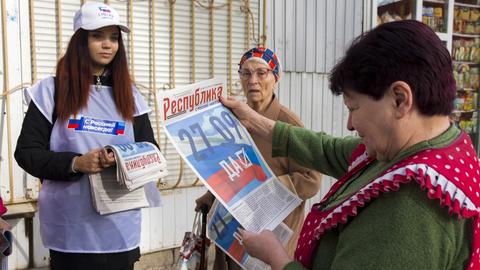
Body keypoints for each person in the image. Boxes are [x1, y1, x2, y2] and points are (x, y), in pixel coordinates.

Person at [221, 20, 480, 270]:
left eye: (353, 107)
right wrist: (253, 119)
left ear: (400, 100)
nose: (350, 124)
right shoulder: (425, 146)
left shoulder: (406, 210)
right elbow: (327, 149)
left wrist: (276, 256)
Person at [14, 2, 161, 269]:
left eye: (114, 38)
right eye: (97, 36)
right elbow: (26, 153)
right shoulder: (51, 91)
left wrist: (120, 158)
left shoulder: (131, 95)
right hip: (70, 230)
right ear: (80, 40)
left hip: (120, 228)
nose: (108, 45)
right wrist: (76, 163)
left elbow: (151, 149)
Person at [195, 47, 322, 270]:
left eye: (261, 73)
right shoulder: (231, 118)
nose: (253, 80)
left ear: (276, 77)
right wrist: (211, 195)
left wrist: (264, 187)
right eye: (246, 73)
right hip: (232, 236)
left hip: (272, 241)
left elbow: (311, 180)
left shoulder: (287, 123)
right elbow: (229, 169)